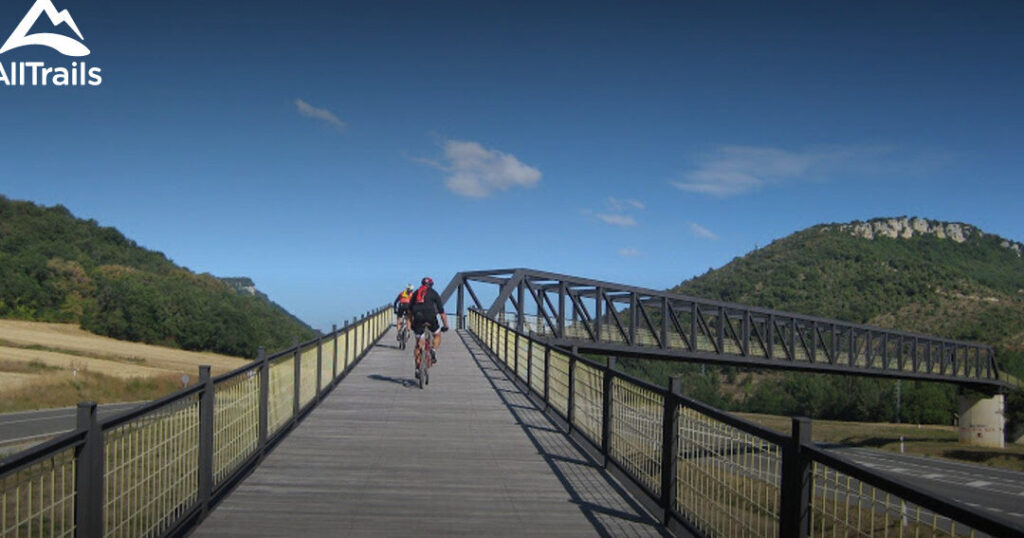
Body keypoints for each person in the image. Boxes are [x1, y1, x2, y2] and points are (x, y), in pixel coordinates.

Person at [407, 276, 448, 376]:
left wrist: (410, 325)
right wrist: (445, 325)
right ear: (431, 285)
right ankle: (433, 349)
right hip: (430, 317)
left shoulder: (416, 293)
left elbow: (409, 311)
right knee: (437, 334)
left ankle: (417, 367)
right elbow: (442, 312)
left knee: (418, 344)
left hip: (418, 317)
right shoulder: (433, 293)